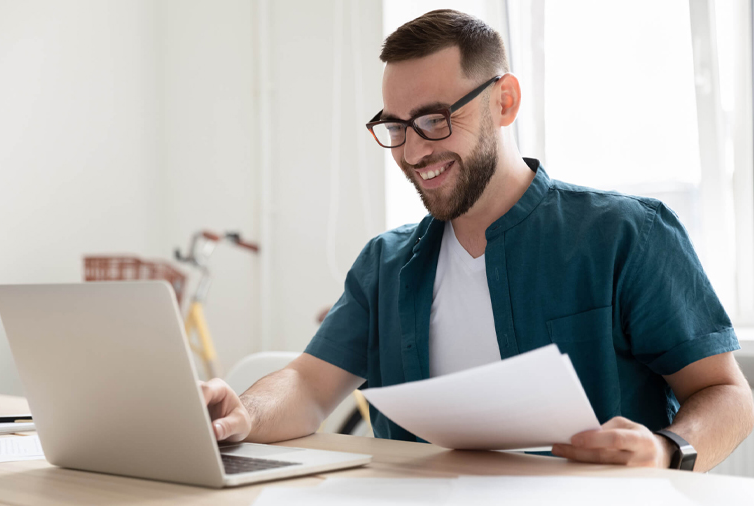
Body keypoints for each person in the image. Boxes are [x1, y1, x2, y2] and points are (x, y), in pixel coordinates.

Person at [201, 10, 754, 471]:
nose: (413, 152)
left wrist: (665, 451)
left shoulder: (626, 235)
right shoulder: (385, 263)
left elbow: (728, 395)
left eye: (435, 120)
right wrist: (243, 414)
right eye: (396, 127)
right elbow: (307, 383)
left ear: (504, 102)